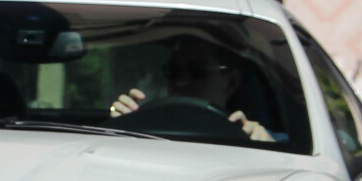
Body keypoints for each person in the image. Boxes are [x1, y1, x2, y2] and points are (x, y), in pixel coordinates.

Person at [108, 36, 274, 142]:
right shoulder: (145, 129)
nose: (181, 81)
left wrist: (266, 148)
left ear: (231, 83)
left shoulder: (258, 139)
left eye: (197, 71)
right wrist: (121, 125)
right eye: (172, 71)